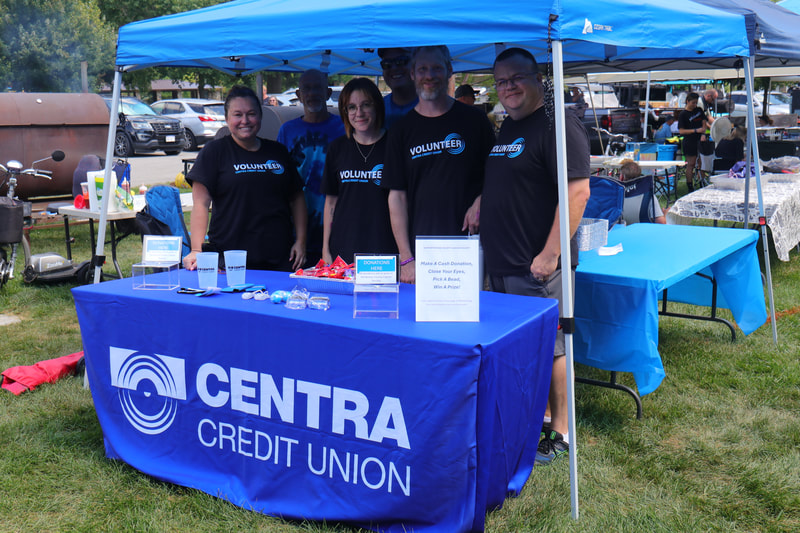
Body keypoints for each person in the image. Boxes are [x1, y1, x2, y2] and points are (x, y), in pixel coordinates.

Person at [480, 47, 590, 466]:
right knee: (526, 346)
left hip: (539, 264)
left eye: (516, 78)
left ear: (538, 78)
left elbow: (578, 192)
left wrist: (550, 253)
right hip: (505, 261)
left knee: (554, 347)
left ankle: (561, 432)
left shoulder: (557, 123)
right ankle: (539, 417)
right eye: (501, 81)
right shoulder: (510, 124)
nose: (508, 87)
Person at [382, 45, 495, 284]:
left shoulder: (475, 120)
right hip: (422, 251)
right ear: (412, 74)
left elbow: (499, 174)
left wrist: (482, 199)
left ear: (449, 70)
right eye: (422, 69)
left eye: (436, 68)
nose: (429, 76)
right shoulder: (401, 130)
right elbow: (396, 197)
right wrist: (406, 258)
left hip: (471, 246)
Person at [183, 85, 307, 272]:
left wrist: (301, 241)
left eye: (251, 114)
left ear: (260, 116)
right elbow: (200, 203)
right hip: (230, 259)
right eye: (237, 115)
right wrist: (196, 250)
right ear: (227, 119)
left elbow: (297, 198)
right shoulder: (214, 152)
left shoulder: (278, 151)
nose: (245, 121)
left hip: (279, 256)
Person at [320, 78, 397, 264]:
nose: (359, 113)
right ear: (345, 112)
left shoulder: (394, 146)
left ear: (377, 106)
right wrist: (325, 248)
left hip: (385, 247)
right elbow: (331, 202)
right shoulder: (337, 148)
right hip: (344, 247)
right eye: (352, 107)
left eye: (366, 105)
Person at [277, 69, 345, 266]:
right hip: (296, 232)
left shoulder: (344, 128)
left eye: (317, 88)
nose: (312, 93)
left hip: (335, 226)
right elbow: (280, 179)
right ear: (298, 95)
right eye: (306, 88)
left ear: (328, 93)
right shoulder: (287, 130)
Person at [378, 47, 419, 129]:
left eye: (401, 61)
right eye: (387, 64)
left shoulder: (434, 107)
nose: (394, 68)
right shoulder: (377, 110)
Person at [678, 92, 711, 192]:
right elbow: (681, 131)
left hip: (700, 139)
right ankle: (690, 185)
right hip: (689, 141)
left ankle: (702, 182)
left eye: (696, 103)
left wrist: (703, 133)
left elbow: (704, 122)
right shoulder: (683, 114)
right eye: (693, 103)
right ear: (687, 101)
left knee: (702, 163)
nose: (694, 105)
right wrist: (695, 130)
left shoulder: (699, 110)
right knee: (691, 163)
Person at [618, 160, 666, 224]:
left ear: (621, 177)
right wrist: (665, 215)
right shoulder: (647, 195)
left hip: (621, 229)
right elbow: (661, 222)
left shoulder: (615, 195)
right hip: (644, 230)